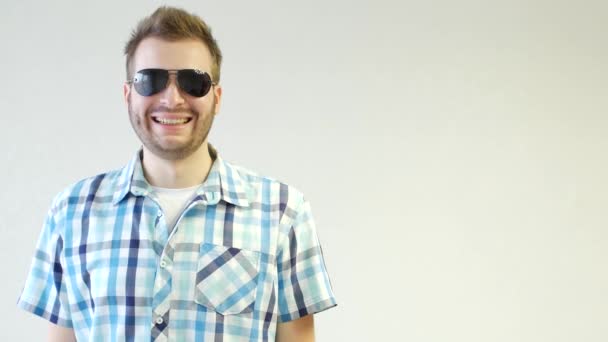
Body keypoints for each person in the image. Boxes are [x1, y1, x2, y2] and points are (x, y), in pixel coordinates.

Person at [17, 6, 337, 341]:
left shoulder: (282, 212)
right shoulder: (71, 212)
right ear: (128, 95)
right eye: (150, 80)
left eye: (192, 82)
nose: (172, 99)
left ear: (216, 97)